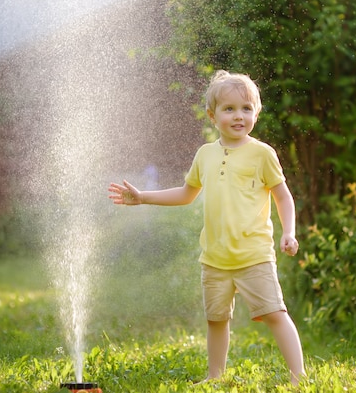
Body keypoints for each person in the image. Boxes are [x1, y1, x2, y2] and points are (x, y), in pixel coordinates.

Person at [108, 70, 306, 385]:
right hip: (214, 258)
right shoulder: (205, 155)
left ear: (256, 112)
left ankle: (299, 377)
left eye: (246, 108)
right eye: (229, 109)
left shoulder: (262, 154)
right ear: (213, 116)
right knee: (216, 320)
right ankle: (215, 377)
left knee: (274, 313)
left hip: (254, 254)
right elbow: (187, 194)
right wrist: (143, 197)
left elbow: (283, 196)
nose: (239, 116)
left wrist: (288, 232)